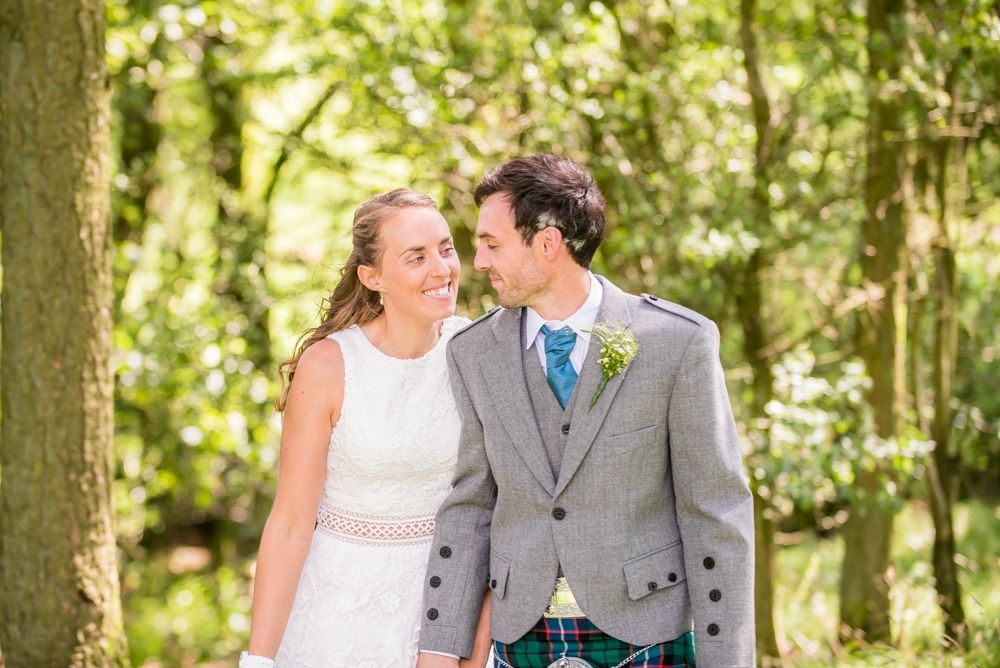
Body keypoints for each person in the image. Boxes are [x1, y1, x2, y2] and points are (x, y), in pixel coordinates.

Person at [416, 155, 755, 668]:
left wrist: (726, 658)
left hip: (647, 630)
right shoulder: (474, 353)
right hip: (521, 636)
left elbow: (715, 513)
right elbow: (470, 509)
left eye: (492, 244)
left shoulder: (676, 343)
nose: (479, 261)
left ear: (548, 243)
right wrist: (442, 644)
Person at [240, 188, 492, 668]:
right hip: (338, 616)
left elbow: (501, 509)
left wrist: (479, 632)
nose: (442, 269)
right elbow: (291, 524)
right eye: (416, 257)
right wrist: (259, 660)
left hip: (443, 610)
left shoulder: (477, 350)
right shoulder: (329, 365)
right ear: (372, 277)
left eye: (445, 248)